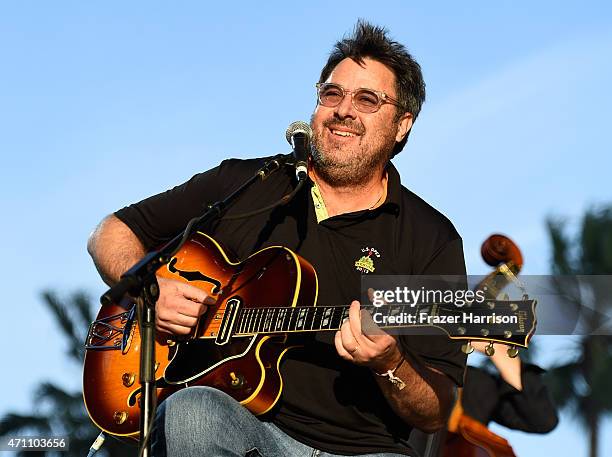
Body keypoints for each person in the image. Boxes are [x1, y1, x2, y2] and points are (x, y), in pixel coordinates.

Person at [88, 21, 468, 457]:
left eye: (367, 99)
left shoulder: (430, 237)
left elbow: (437, 410)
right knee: (191, 411)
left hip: (363, 449)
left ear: (402, 124)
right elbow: (112, 231)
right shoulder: (247, 182)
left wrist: (391, 362)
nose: (343, 110)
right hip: (238, 424)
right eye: (332, 93)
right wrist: (150, 294)